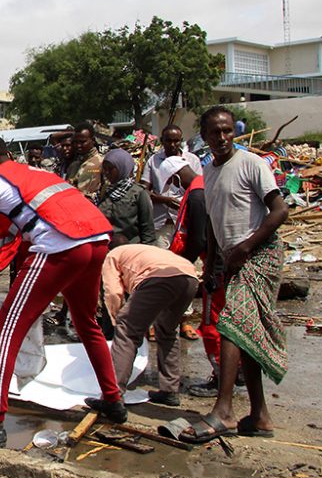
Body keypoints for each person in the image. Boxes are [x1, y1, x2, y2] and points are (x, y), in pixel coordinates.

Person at [0, 135, 123, 448]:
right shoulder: (40, 172)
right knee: (87, 323)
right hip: (97, 240)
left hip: (60, 246)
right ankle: (113, 399)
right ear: (8, 154)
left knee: (4, 329)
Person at [179, 106, 288, 444]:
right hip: (232, 260)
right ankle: (260, 415)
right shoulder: (208, 172)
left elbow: (279, 210)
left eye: (228, 131)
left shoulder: (252, 164)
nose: (223, 138)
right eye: (216, 132)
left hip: (260, 255)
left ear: (234, 133)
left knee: (233, 325)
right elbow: (213, 222)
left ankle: (224, 410)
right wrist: (211, 264)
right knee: (247, 333)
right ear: (205, 137)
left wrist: (245, 247)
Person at [102, 244, 200, 406]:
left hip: (159, 278)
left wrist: (116, 318)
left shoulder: (111, 256)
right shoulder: (139, 250)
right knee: (167, 331)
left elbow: (113, 292)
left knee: (126, 330)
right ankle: (169, 390)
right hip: (189, 278)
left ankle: (113, 395)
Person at [170, 163, 227, 396]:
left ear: (175, 177)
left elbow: (197, 239)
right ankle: (235, 373)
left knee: (211, 325)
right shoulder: (207, 185)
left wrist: (182, 266)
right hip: (226, 263)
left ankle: (222, 378)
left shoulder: (196, 195)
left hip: (217, 267)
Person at [140, 125, 202, 247]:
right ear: (162, 140)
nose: (173, 145)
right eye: (169, 141)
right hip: (161, 225)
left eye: (176, 141)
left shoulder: (192, 160)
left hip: (185, 224)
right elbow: (143, 190)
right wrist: (163, 200)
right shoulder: (153, 161)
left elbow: (198, 189)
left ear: (181, 140)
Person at [96, 148, 155, 246]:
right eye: (104, 169)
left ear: (122, 168)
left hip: (129, 249)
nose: (106, 172)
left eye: (110, 169)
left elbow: (148, 232)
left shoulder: (138, 193)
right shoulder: (104, 190)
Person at [66, 122, 101, 197]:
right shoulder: (73, 166)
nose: (78, 145)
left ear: (93, 140)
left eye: (82, 142)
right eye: (76, 142)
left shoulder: (101, 163)